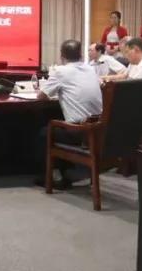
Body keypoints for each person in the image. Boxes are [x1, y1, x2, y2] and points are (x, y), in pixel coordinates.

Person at [36, 39, 103, 189]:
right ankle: (68, 170)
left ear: (62, 56)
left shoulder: (60, 72)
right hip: (98, 129)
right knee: (59, 126)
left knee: (45, 132)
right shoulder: (90, 69)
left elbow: (41, 96)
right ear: (80, 55)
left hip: (80, 132)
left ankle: (54, 176)